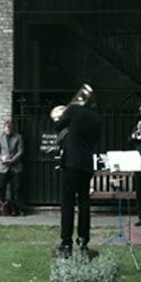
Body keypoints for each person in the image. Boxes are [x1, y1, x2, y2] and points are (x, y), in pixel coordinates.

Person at [54, 85, 102, 256]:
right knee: (84, 205)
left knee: (67, 203)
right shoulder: (97, 118)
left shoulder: (73, 110)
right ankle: (83, 242)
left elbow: (57, 125)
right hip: (87, 164)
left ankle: (66, 243)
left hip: (70, 163)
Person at [0, 120, 24, 216]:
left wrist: (12, 160)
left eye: (10, 130)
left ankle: (16, 210)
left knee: (16, 189)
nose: (8, 131)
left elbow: (20, 151)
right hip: (3, 167)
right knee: (2, 189)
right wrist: (2, 158)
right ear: (4, 129)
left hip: (15, 167)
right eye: (7, 129)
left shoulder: (18, 137)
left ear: (12, 129)